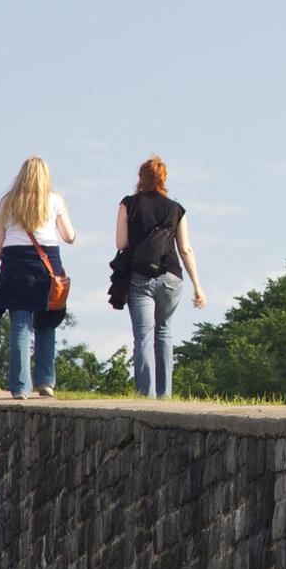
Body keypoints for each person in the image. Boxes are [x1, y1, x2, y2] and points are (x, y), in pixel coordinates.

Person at [0, 156, 76, 399]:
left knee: (20, 328)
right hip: (48, 268)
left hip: (15, 267)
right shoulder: (55, 200)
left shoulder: (7, 203)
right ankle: (46, 382)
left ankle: (21, 388)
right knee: (46, 324)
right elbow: (69, 236)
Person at [115, 155, 204, 398]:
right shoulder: (176, 209)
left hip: (140, 277)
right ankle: (165, 395)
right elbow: (185, 248)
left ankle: (146, 395)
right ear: (164, 179)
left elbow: (121, 243)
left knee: (143, 335)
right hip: (171, 278)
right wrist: (198, 286)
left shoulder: (128, 204)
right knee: (164, 331)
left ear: (141, 178)